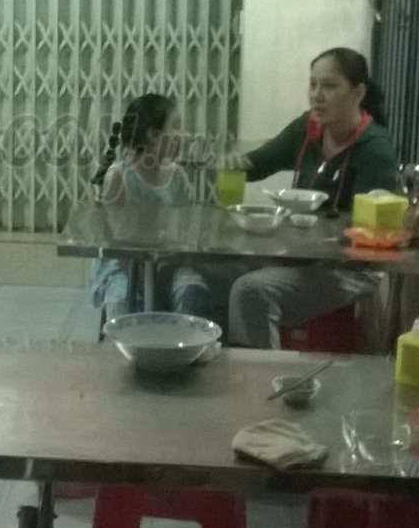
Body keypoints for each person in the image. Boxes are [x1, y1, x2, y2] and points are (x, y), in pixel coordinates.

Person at [221, 48, 400, 348]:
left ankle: (259, 377)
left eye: (329, 86)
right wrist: (226, 161)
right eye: (313, 84)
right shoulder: (307, 129)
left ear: (358, 93)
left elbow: (371, 231)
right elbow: (256, 165)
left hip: (350, 267)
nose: (317, 95)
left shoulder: (374, 148)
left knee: (252, 291)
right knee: (193, 277)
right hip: (298, 254)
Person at [89, 93, 219, 322]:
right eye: (176, 127)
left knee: (191, 290)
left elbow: (185, 230)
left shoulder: (177, 176)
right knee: (122, 299)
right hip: (125, 265)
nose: (185, 135)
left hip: (169, 261)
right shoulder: (118, 177)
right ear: (152, 135)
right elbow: (117, 245)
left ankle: (183, 343)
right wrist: (146, 282)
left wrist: (168, 263)